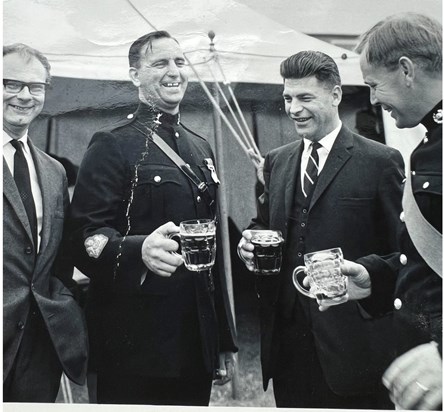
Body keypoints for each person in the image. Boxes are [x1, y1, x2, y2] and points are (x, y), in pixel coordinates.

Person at [68, 30, 237, 406]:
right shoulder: (112, 143)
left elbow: (213, 253)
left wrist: (221, 339)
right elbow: (83, 238)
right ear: (134, 75)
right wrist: (137, 250)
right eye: (160, 63)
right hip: (133, 347)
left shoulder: (200, 146)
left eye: (179, 61)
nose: (173, 71)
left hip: (194, 341)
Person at [238, 50, 405, 409]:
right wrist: (248, 243)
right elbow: (264, 224)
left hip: (354, 347)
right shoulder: (276, 161)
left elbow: (403, 255)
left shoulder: (380, 162)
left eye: (305, 98)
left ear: (335, 95)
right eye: (287, 98)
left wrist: (367, 273)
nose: (293, 108)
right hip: (288, 347)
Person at [336, 13, 442, 410]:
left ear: (406, 70)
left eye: (374, 85)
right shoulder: (430, 145)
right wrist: (375, 278)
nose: (374, 99)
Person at [3, 43, 88, 402]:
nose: (25, 95)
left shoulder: (53, 171)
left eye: (35, 87)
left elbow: (61, 254)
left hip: (39, 346)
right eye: (10, 83)